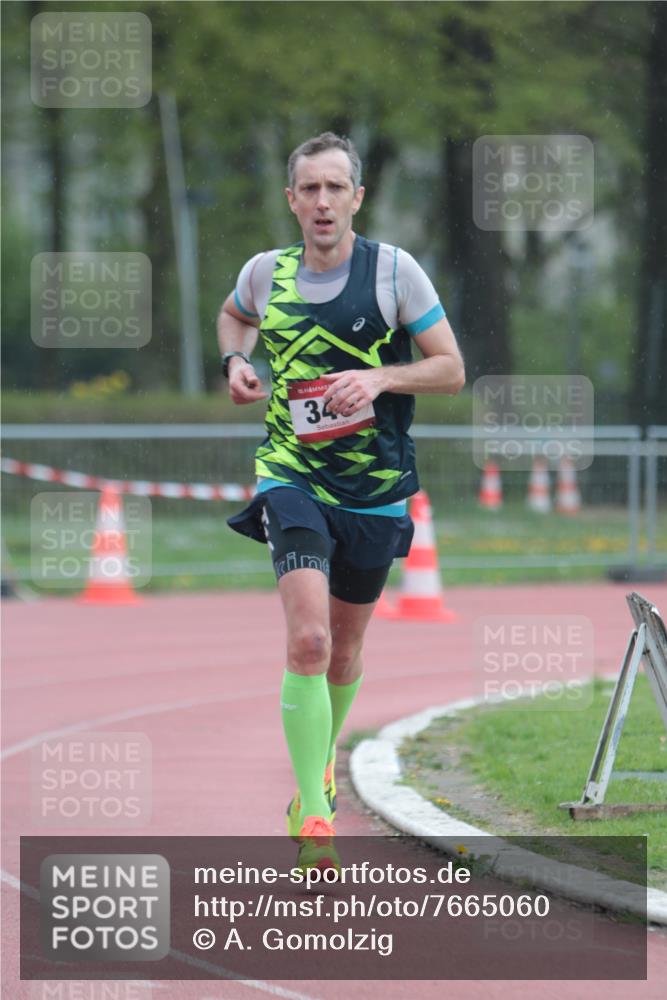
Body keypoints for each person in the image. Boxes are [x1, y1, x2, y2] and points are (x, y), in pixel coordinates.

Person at [217, 131, 464, 873]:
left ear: (357, 197)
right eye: (309, 189)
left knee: (346, 650)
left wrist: (382, 379)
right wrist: (235, 359)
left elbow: (450, 368)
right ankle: (316, 818)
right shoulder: (265, 273)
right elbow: (235, 317)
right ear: (291, 200)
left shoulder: (394, 272)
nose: (322, 202)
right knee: (310, 641)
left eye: (335, 188)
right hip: (290, 474)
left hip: (375, 490)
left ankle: (318, 767)